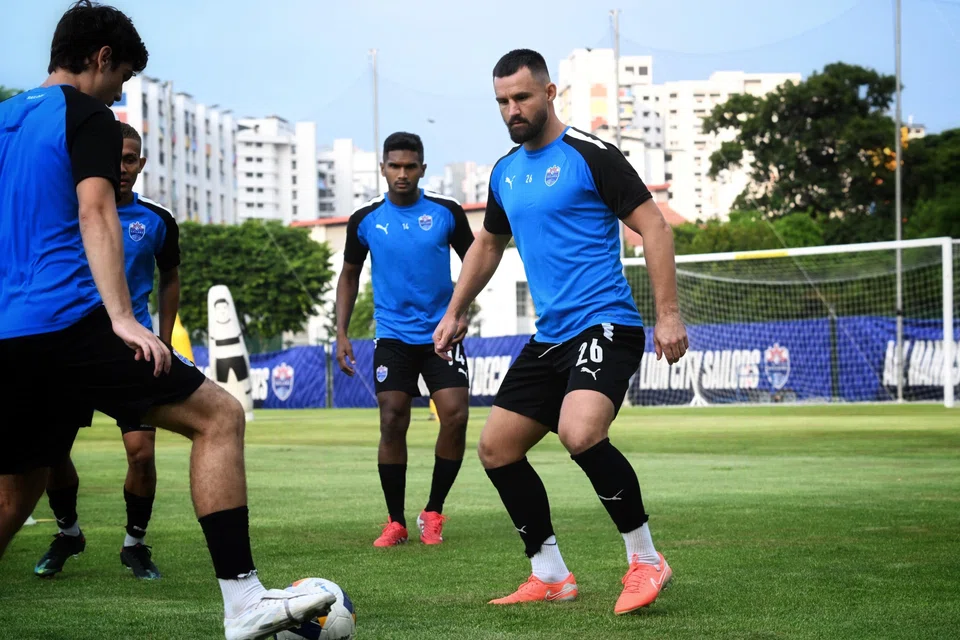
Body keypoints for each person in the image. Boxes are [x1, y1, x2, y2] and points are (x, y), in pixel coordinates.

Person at [0, 3, 335, 638]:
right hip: (70, 321)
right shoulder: (87, 114)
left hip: (10, 335)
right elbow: (96, 211)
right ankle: (244, 602)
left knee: (19, 489)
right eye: (122, 77)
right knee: (220, 417)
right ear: (102, 58)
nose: (119, 92)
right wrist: (123, 317)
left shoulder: (4, 119)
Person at [432, 49, 689, 614]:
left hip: (606, 323)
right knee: (496, 449)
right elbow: (488, 244)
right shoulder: (504, 172)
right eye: (502, 101)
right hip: (550, 337)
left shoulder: (591, 155)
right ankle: (549, 575)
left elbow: (654, 228)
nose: (512, 109)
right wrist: (454, 310)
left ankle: (646, 560)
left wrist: (668, 314)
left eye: (522, 97)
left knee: (580, 431)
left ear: (549, 94)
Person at [34, 123, 179, 581]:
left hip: (133, 351)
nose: (121, 167)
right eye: (113, 158)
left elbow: (171, 278)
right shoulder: (66, 212)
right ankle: (68, 533)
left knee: (141, 454)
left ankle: (134, 545)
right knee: (53, 453)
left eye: (129, 159)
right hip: (70, 347)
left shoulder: (156, 219)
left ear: (141, 163)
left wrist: (165, 338)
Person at [336, 132, 474, 547]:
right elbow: (348, 275)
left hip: (441, 335)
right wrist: (341, 332)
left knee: (455, 416)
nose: (402, 173)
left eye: (410, 166)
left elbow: (476, 261)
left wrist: (461, 311)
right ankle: (395, 521)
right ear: (382, 168)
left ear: (422, 169)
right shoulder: (365, 219)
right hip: (393, 336)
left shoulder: (447, 212)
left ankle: (433, 511)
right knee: (392, 418)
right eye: (394, 166)